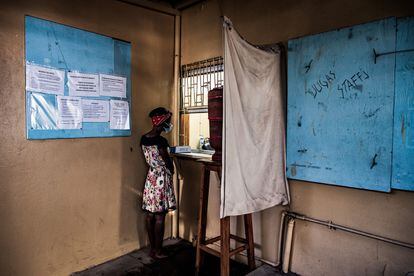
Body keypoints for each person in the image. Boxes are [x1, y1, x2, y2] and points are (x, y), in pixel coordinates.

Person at [140, 107, 176, 259]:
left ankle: (152, 249)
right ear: (161, 123)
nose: (169, 125)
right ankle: (159, 251)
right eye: (167, 122)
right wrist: (172, 169)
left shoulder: (144, 138)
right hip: (161, 178)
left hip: (151, 178)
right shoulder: (161, 141)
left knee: (150, 214)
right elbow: (167, 162)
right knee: (160, 216)